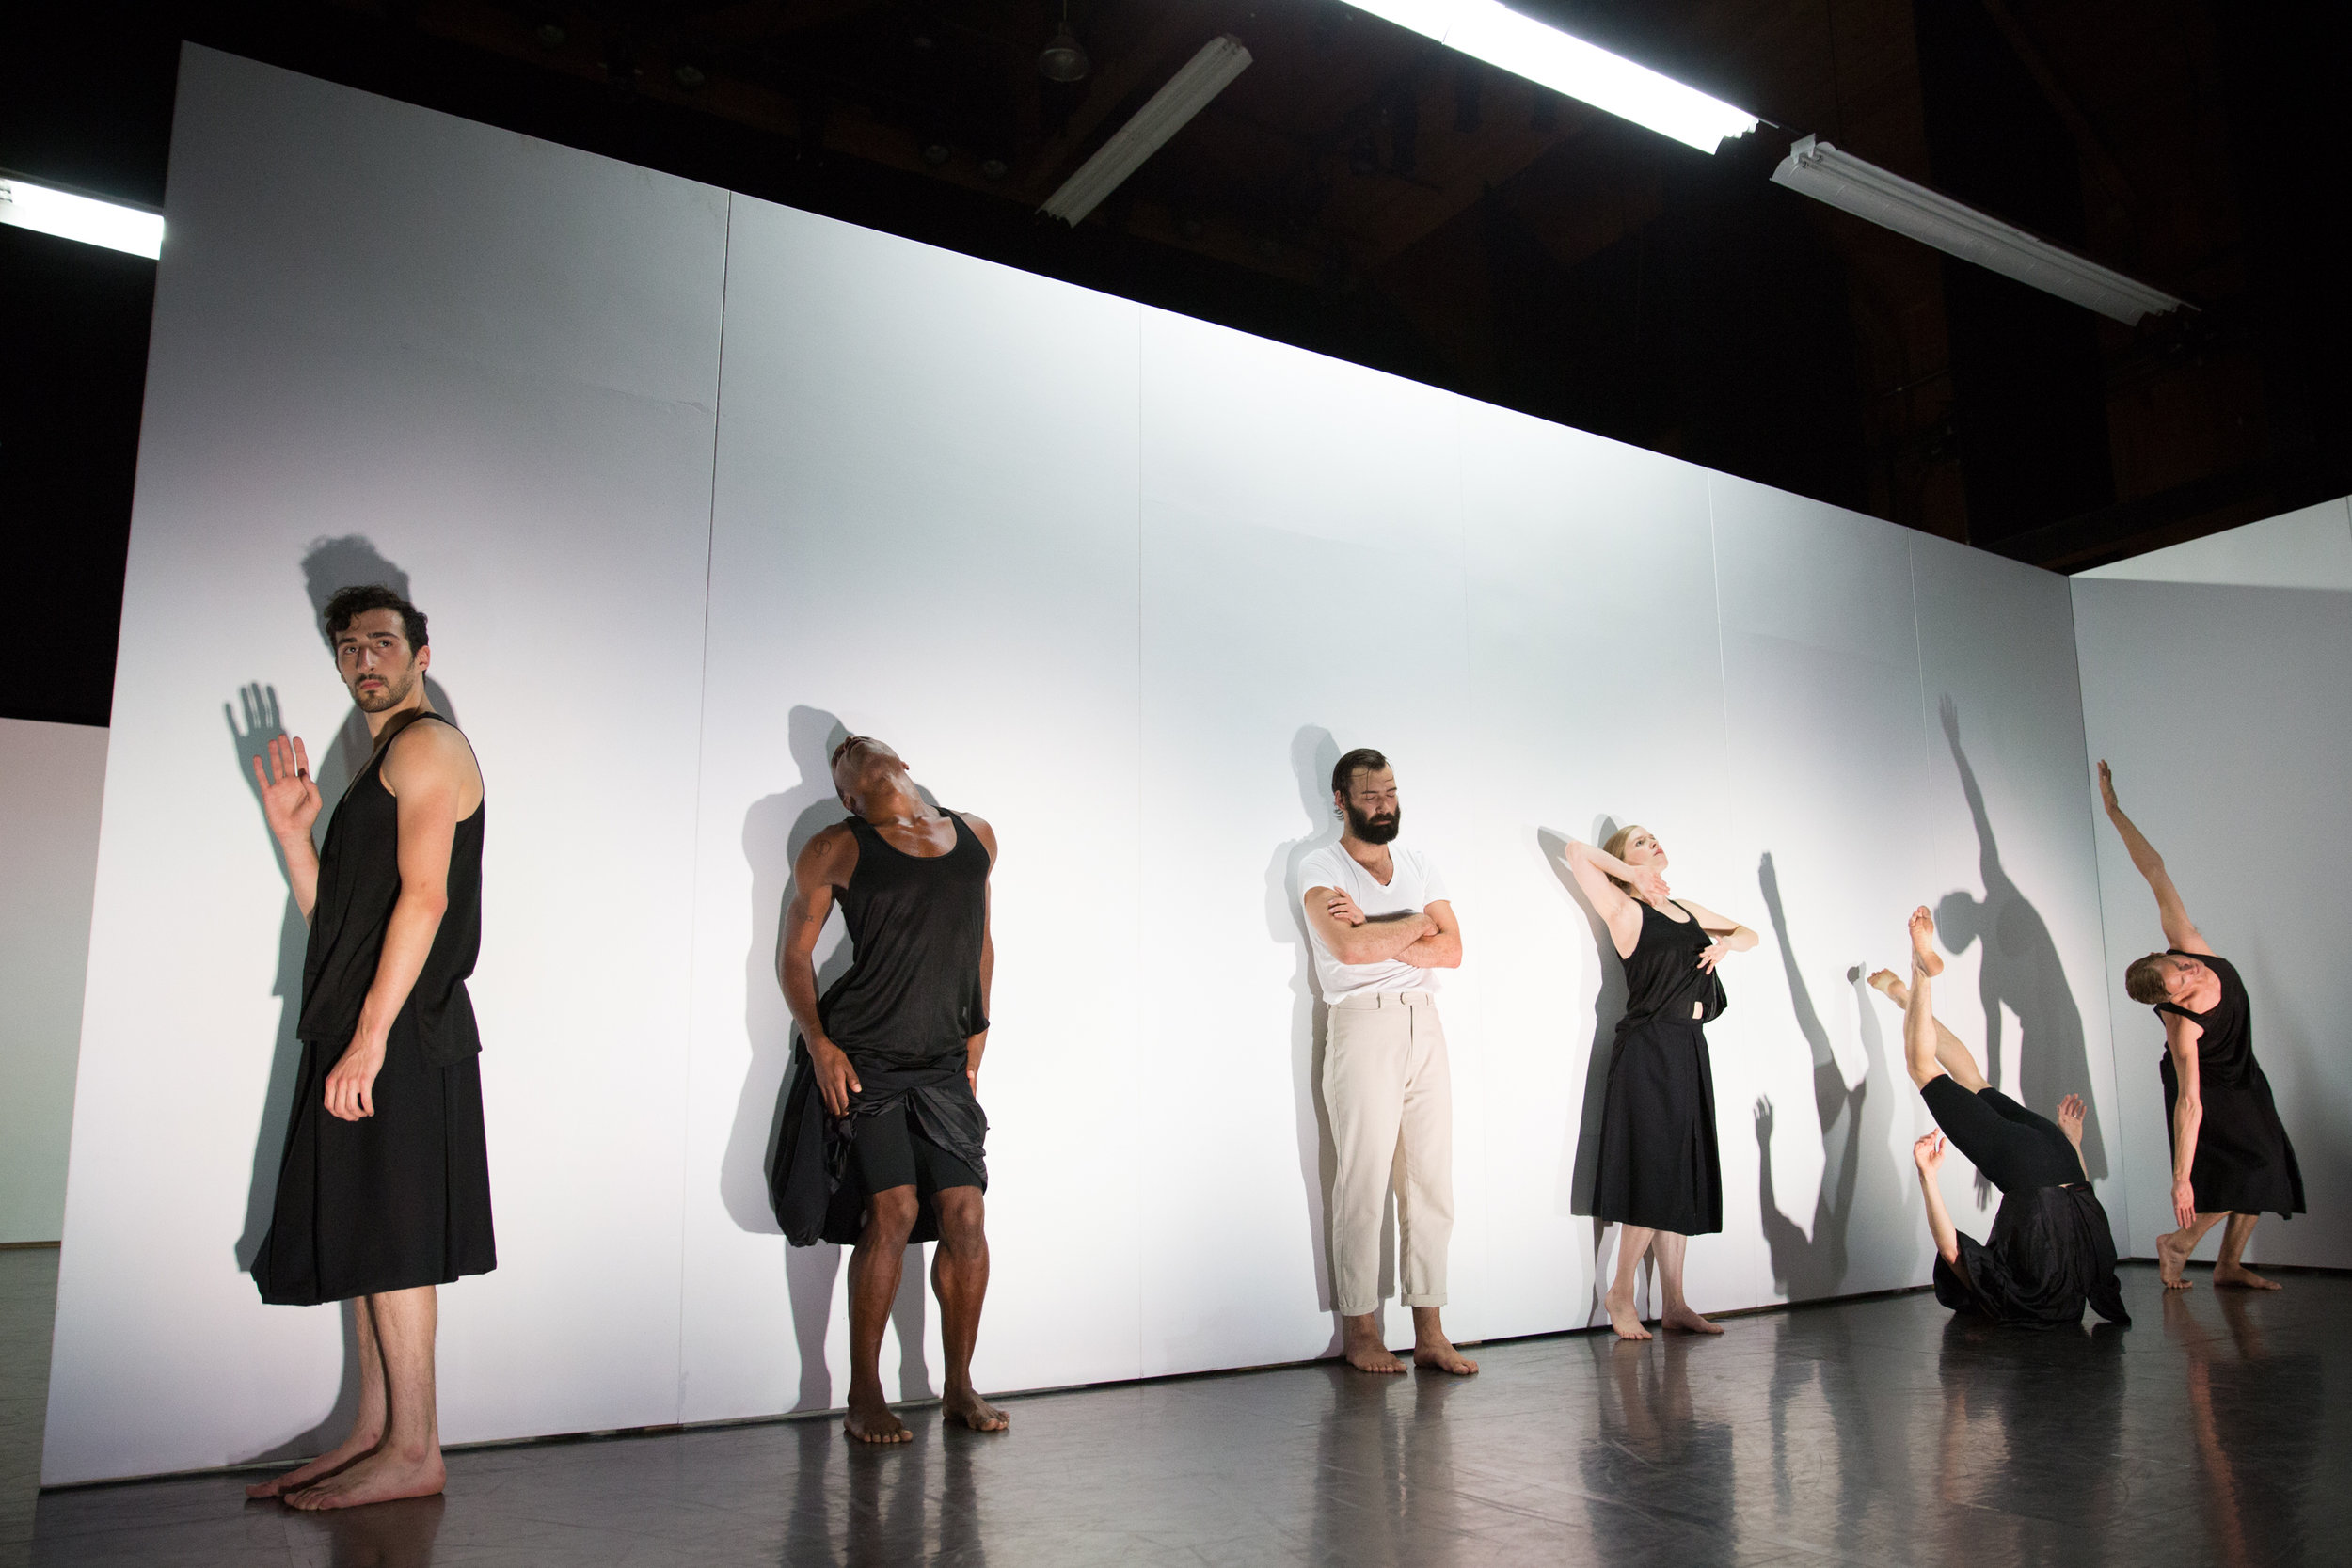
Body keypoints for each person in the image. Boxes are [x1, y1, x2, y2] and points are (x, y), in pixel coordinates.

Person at [244, 585, 494, 1509]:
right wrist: (294, 836)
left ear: (421, 654)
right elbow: (340, 928)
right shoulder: (381, 759)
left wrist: (371, 1041)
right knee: (367, 1230)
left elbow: (424, 902)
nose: (363, 661)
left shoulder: (428, 747)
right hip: (367, 1023)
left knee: (395, 1237)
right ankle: (374, 1430)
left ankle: (416, 1448)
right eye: (347, 647)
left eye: (382, 642)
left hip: (401, 1033)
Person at [770, 736, 1008, 1440]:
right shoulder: (835, 846)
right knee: (894, 1210)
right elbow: (793, 952)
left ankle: (958, 1385)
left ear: (899, 758)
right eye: (841, 757)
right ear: (847, 793)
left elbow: (984, 941)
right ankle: (863, 1392)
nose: (850, 750)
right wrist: (819, 1041)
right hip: (867, 1054)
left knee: (966, 1215)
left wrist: (979, 1024)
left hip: (941, 1060)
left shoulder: (976, 835)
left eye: (861, 744)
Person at [1297, 748, 1476, 1375]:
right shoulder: (1319, 863)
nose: (1384, 804)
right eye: (1370, 795)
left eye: (1391, 791)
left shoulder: (1420, 863)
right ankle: (1361, 1330)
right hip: (1362, 1020)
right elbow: (1346, 949)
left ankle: (1430, 1329)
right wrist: (1413, 925)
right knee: (1363, 1181)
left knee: (1432, 1181)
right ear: (1340, 800)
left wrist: (1380, 925)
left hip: (1424, 1022)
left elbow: (1453, 950)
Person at [2098, 761, 2304, 1289]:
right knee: (2253, 1174)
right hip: (2210, 1087)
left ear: (2163, 954)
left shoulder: (2186, 943)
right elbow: (2189, 1103)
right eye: (2179, 985)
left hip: (2242, 1073)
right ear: (2167, 1002)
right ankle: (2179, 1242)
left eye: (2181, 969)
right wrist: (2180, 1180)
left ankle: (2228, 1266)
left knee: (2272, 1165)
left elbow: (2156, 871)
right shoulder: (2184, 1027)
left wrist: (2115, 811)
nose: (2190, 975)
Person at [1874, 909, 2128, 1330]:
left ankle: (1905, 998)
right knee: (1923, 1069)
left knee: (1974, 1081)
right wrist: (1928, 1177)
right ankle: (1920, 976)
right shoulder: (2017, 1296)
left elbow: (2089, 1207)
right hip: (2025, 1172)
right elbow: (1953, 1250)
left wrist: (2073, 1142)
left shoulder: (2084, 1280)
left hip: (2064, 1158)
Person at [1557, 827, 1756, 1339]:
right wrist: (1631, 876)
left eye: (1653, 838)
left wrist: (1727, 945)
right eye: (1640, 842)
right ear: (1624, 862)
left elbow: (1749, 934)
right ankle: (1620, 1291)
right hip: (1649, 1049)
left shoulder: (1685, 909)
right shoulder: (1626, 911)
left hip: (1689, 1046)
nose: (1654, 843)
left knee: (1681, 1171)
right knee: (1656, 1169)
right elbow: (1576, 853)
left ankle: (1675, 1302)